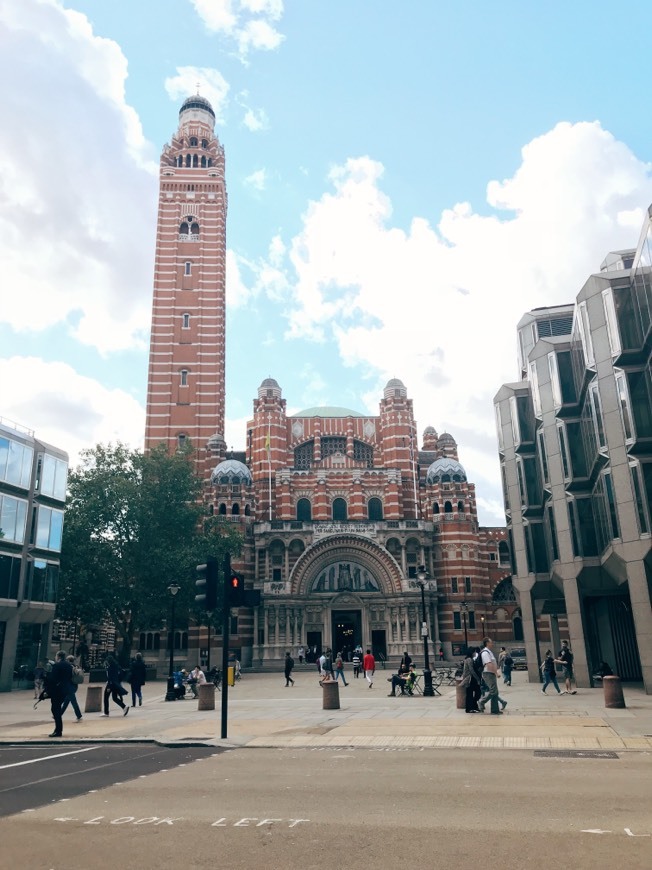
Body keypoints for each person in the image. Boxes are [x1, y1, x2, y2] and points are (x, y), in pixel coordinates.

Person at [478, 638, 507, 714]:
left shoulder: (489, 652)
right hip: (488, 673)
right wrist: (496, 673)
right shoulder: (485, 653)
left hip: (490, 673)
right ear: (487, 643)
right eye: (491, 642)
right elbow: (489, 664)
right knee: (493, 691)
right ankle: (482, 701)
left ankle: (495, 710)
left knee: (495, 692)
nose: (492, 644)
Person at [47, 651, 73, 737]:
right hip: (65, 689)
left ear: (58, 657)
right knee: (57, 708)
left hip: (57, 690)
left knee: (55, 709)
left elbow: (53, 679)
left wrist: (47, 690)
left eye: (56, 656)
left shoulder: (57, 666)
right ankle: (58, 729)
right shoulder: (68, 665)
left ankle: (58, 730)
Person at [60, 655, 83, 722]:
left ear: (68, 660)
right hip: (74, 685)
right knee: (66, 702)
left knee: (73, 702)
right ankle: (59, 714)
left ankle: (79, 716)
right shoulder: (76, 666)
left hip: (69, 686)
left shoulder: (69, 667)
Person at [460, 648, 481, 713]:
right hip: (470, 679)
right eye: (474, 652)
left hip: (470, 678)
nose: (475, 653)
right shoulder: (469, 659)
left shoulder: (468, 659)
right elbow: (471, 670)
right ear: (472, 653)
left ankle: (473, 706)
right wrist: (478, 678)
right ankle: (470, 708)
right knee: (473, 693)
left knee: (472, 693)